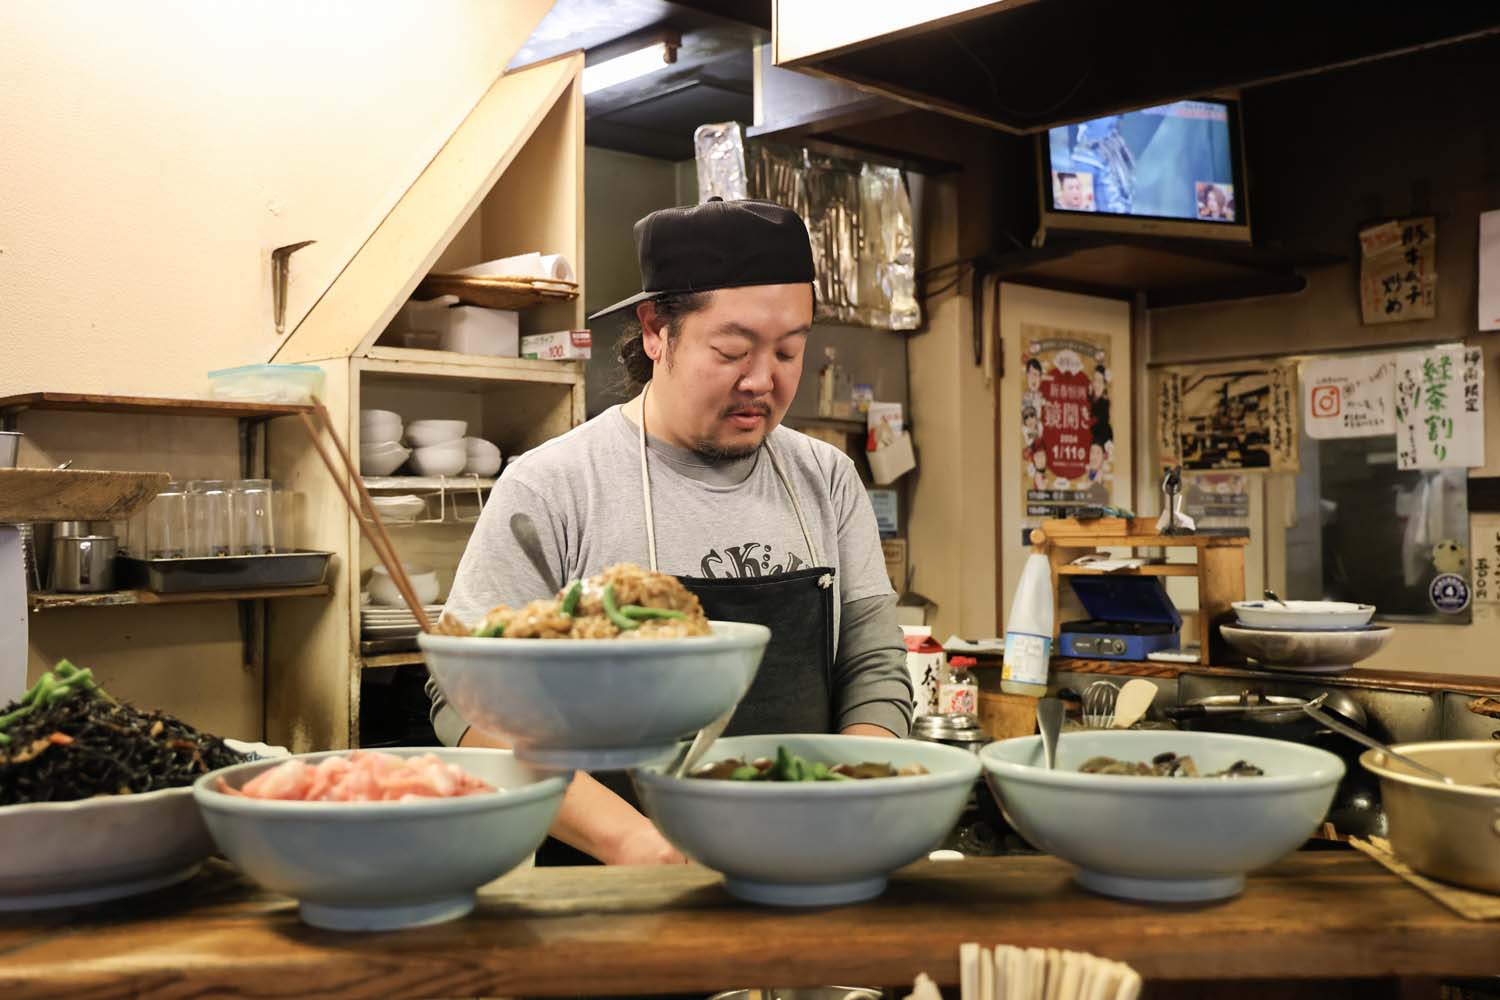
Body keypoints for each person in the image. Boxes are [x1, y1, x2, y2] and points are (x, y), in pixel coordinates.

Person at [427, 198, 914, 866]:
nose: (762, 380)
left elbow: (873, 667)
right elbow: (467, 706)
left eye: (790, 352)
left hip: (802, 866)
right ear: (656, 330)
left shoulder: (826, 480)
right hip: (612, 888)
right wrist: (633, 842)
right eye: (732, 349)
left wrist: (848, 799)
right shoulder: (554, 486)